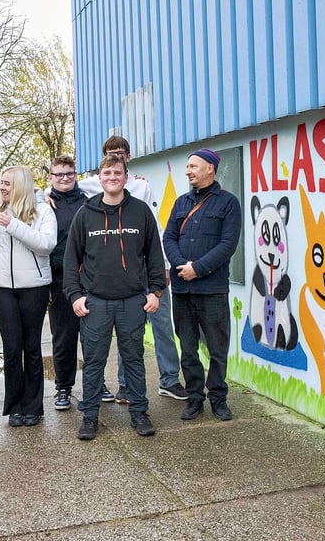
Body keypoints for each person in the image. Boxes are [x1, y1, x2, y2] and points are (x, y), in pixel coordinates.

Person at [77, 136, 187, 404]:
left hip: (148, 269)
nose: (117, 157)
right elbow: (64, 186)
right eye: (111, 154)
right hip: (115, 276)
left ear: (128, 157)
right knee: (127, 333)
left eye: (122, 153)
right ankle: (124, 386)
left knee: (162, 325)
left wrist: (164, 267)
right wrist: (46, 194)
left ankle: (170, 380)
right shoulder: (92, 183)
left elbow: (154, 230)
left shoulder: (141, 185)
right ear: (103, 160)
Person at [63, 154, 166, 441]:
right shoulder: (85, 214)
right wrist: (74, 296)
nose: (112, 177)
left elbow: (154, 255)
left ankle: (139, 412)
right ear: (100, 177)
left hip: (133, 300)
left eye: (117, 172)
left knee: (133, 359)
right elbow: (71, 260)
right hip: (95, 302)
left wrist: (156, 290)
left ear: (125, 176)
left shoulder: (141, 211)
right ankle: (90, 416)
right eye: (106, 172)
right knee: (94, 361)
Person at [162, 148, 242, 421]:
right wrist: (181, 265)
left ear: (210, 168)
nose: (188, 171)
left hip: (213, 290)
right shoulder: (181, 203)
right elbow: (168, 238)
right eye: (187, 167)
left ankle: (218, 397)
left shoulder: (228, 203)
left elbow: (227, 245)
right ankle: (195, 397)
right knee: (187, 348)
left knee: (218, 349)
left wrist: (198, 268)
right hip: (183, 290)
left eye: (194, 166)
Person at [0, 166, 56, 427]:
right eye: (1, 183)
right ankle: (14, 407)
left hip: (34, 288)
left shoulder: (43, 211)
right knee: (12, 349)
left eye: (8, 183)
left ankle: (34, 407)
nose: (3, 187)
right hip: (2, 289)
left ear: (21, 186)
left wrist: (14, 225)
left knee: (32, 347)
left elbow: (46, 244)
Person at [47, 156, 88, 411]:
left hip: (90, 281)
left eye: (69, 174)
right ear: (51, 177)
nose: (65, 178)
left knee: (93, 337)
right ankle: (63, 386)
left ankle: (96, 383)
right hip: (59, 281)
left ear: (76, 175)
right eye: (59, 174)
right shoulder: (44, 205)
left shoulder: (88, 202)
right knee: (63, 338)